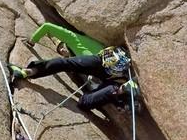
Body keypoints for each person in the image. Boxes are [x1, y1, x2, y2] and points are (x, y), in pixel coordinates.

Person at [8, 23, 140, 111]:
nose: (63, 51)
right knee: (86, 101)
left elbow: (47, 26)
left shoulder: (74, 38)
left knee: (65, 64)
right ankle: (123, 98)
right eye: (60, 50)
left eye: (61, 48)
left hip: (100, 61)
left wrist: (32, 41)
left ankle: (28, 72)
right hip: (110, 70)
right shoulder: (77, 49)